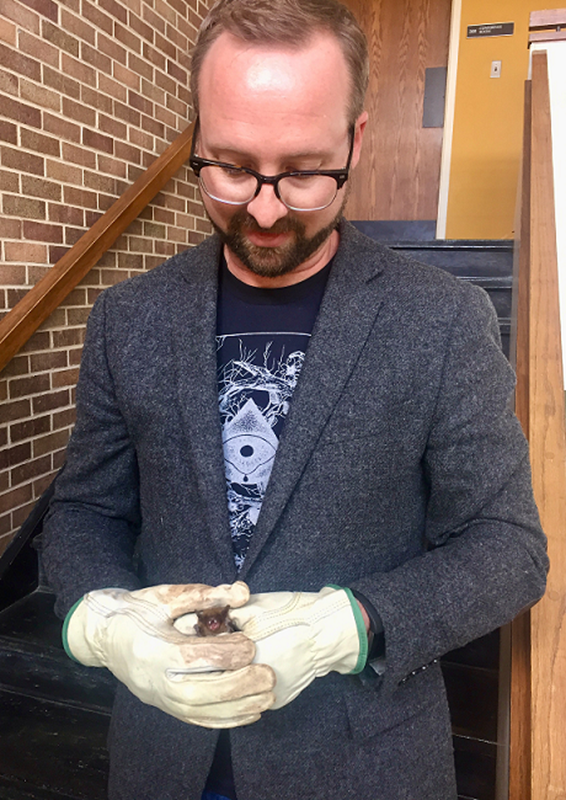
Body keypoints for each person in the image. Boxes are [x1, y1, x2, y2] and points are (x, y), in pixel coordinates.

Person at [42, 1, 549, 798]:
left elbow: (507, 548)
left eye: (305, 171)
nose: (268, 209)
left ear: (356, 137)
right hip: (164, 756)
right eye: (232, 167)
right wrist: (99, 622)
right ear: (195, 137)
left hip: (361, 761)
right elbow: (83, 514)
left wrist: (352, 625)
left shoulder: (444, 318)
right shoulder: (127, 318)